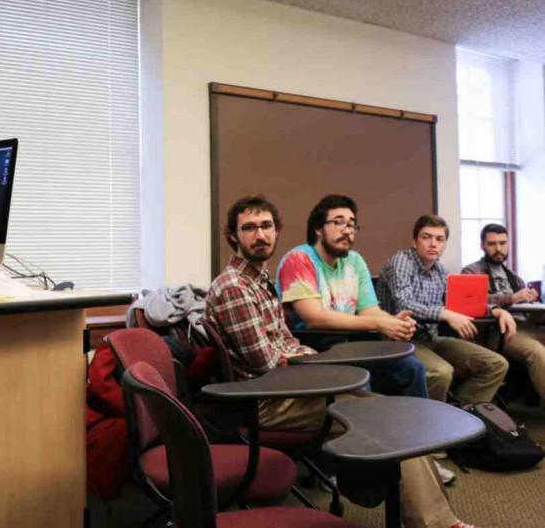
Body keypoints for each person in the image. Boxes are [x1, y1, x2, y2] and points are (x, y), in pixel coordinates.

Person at [203, 196, 483, 528]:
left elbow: (286, 343)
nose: (260, 235)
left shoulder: (257, 281)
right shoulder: (235, 287)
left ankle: (430, 513)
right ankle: (432, 519)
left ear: (276, 231)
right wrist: (322, 367)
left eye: (266, 226)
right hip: (265, 400)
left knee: (397, 413)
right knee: (387, 418)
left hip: (288, 387)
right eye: (249, 228)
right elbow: (267, 364)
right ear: (233, 236)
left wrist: (321, 360)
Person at [276, 195, 428, 399]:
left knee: (412, 368)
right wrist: (378, 323)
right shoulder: (299, 259)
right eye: (338, 222)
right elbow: (314, 318)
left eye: (352, 225)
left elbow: (369, 310)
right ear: (318, 229)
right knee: (360, 385)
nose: (347, 230)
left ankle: (416, 429)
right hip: (313, 350)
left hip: (350, 346)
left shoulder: (354, 261)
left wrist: (395, 323)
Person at [377, 215, 510, 404]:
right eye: (426, 237)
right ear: (414, 241)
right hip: (398, 340)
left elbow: (462, 302)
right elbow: (404, 305)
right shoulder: (401, 261)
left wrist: (495, 310)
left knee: (496, 364)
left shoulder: (440, 270)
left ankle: (462, 415)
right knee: (441, 371)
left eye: (439, 239)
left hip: (430, 338)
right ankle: (434, 426)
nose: (433, 244)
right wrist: (444, 313)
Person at [461, 223, 545, 404]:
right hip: (499, 331)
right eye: (492, 244)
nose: (498, 248)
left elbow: (526, 308)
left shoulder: (513, 276)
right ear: (482, 245)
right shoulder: (471, 272)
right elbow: (474, 302)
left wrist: (533, 302)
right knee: (537, 352)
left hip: (526, 325)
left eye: (502, 243)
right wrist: (512, 298)